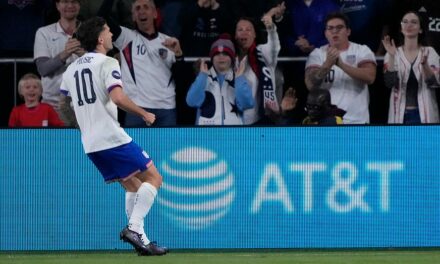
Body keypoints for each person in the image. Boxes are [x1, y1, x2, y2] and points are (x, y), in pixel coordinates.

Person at [59, 17, 167, 256]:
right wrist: (144, 113)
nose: (110, 35)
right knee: (154, 178)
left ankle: (143, 242)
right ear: (99, 38)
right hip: (111, 136)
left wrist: (81, 124)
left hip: (90, 142)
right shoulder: (107, 63)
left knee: (133, 185)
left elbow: (63, 102)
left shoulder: (71, 69)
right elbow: (117, 98)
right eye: (108, 31)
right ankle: (134, 228)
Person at [98, 0, 184, 127]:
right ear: (133, 16)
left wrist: (178, 54)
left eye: (146, 7)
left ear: (155, 13)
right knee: (136, 148)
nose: (142, 11)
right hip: (136, 109)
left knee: (166, 147)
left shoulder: (169, 42)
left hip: (166, 108)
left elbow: (182, 79)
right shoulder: (126, 38)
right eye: (137, 8)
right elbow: (101, 17)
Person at [305, 12, 376, 124]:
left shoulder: (362, 50)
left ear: (348, 31)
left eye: (339, 27)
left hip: (357, 121)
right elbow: (310, 84)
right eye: (330, 28)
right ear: (325, 33)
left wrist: (342, 65)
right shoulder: (317, 54)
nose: (334, 31)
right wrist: (327, 64)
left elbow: (370, 77)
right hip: (327, 122)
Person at [33, 0, 85, 126]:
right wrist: (66, 53)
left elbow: (100, 65)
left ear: (80, 5)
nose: (70, 6)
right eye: (65, 1)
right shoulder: (44, 32)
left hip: (85, 105)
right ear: (57, 5)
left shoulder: (90, 31)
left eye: (74, 1)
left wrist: (84, 54)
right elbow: (43, 69)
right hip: (53, 106)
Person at [382, 11, 440, 124]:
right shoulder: (392, 52)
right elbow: (390, 83)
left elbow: (434, 83)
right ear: (401, 28)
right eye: (405, 22)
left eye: (414, 22)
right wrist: (392, 57)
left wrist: (425, 65)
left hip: (425, 115)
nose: (409, 25)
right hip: (399, 116)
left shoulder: (430, 52)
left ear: (420, 29)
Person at [186, 34, 254, 125]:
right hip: (206, 136)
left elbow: (246, 104)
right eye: (217, 54)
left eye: (225, 54)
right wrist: (202, 76)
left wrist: (239, 79)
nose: (221, 57)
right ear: (212, 58)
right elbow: (192, 101)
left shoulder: (239, 79)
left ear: (232, 58)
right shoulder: (204, 78)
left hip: (234, 136)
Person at [234, 11, 282, 125]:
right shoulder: (229, 57)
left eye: (248, 29)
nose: (244, 32)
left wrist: (271, 28)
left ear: (255, 34)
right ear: (235, 35)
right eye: (240, 30)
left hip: (261, 119)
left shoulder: (263, 53)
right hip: (233, 121)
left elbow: (274, 46)